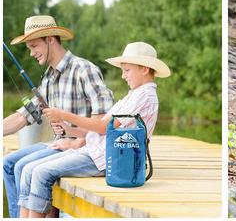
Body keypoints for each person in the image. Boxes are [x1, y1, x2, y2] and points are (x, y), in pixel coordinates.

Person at [17, 42, 170, 218]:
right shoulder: (133, 95)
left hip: (105, 159)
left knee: (41, 172)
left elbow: (105, 128)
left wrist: (64, 115)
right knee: (29, 169)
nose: (123, 76)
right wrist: (70, 130)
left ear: (144, 69)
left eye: (127, 70)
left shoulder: (145, 96)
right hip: (92, 151)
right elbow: (103, 128)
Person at [3, 16, 114, 218]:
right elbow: (23, 117)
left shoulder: (83, 70)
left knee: (22, 167)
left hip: (81, 147)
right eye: (29, 47)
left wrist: (78, 141)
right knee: (8, 163)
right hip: (57, 144)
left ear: (51, 39)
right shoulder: (49, 77)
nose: (31, 53)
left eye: (34, 45)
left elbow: (103, 123)